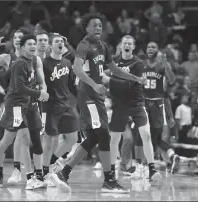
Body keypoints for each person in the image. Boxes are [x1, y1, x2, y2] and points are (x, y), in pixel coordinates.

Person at [50, 13, 146, 193]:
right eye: (94, 25)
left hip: (97, 98)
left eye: (100, 25)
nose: (98, 28)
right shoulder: (84, 46)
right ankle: (109, 180)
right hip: (87, 97)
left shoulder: (102, 46)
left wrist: (134, 77)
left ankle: (64, 172)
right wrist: (94, 84)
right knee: (104, 135)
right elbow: (77, 70)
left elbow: (114, 69)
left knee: (95, 137)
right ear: (86, 28)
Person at [0, 34, 49, 190]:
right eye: (28, 43)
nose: (32, 46)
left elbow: (38, 81)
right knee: (7, 140)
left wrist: (42, 89)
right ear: (20, 45)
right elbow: (19, 87)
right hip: (16, 105)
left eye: (33, 43)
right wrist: (39, 94)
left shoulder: (33, 60)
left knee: (23, 139)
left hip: (25, 105)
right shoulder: (15, 61)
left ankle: (29, 178)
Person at [103, 35, 162, 181]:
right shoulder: (114, 61)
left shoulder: (138, 63)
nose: (127, 45)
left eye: (130, 43)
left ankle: (152, 169)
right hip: (119, 105)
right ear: (121, 45)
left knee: (146, 134)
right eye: (125, 43)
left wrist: (108, 80)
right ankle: (110, 172)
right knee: (115, 139)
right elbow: (103, 73)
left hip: (136, 104)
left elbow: (128, 84)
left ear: (133, 47)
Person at [41, 33, 79, 185]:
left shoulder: (67, 63)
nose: (60, 43)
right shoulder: (44, 63)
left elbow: (71, 86)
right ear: (51, 45)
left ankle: (51, 164)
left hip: (67, 105)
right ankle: (44, 173)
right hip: (50, 106)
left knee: (73, 139)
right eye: (57, 41)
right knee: (51, 142)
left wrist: (79, 101)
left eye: (62, 41)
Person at [140, 41, 180, 173]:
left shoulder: (162, 65)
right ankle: (147, 163)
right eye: (149, 46)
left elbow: (172, 80)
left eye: (153, 47)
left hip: (157, 103)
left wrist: (166, 65)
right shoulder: (141, 63)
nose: (150, 48)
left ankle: (146, 164)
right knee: (145, 134)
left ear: (158, 50)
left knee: (154, 137)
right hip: (143, 103)